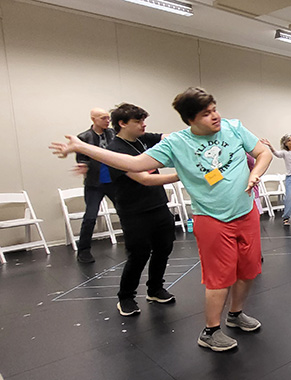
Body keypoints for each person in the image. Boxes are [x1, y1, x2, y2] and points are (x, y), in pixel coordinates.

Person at [51, 87, 272, 352]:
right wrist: (83, 147)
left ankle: (235, 315)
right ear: (191, 119)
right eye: (206, 113)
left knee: (248, 270)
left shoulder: (233, 127)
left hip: (245, 213)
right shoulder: (176, 144)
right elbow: (134, 165)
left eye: (214, 109)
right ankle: (210, 331)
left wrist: (255, 173)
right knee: (220, 277)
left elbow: (264, 153)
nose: (215, 116)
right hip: (212, 218)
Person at [107, 103, 179, 316]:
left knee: (164, 247)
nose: (143, 124)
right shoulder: (115, 151)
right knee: (139, 254)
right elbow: (145, 179)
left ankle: (155, 289)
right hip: (134, 211)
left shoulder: (143, 139)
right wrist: (183, 175)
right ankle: (126, 297)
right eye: (138, 121)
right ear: (122, 123)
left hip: (158, 205)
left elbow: (170, 137)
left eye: (143, 120)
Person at [74, 108, 117, 263]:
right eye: (103, 118)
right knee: (90, 216)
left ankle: (135, 243)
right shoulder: (84, 137)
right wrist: (83, 166)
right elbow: (82, 157)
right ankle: (83, 251)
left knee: (126, 211)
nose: (107, 121)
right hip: (95, 183)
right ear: (93, 119)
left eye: (108, 118)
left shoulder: (113, 133)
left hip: (113, 181)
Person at [261, 134, 291, 225]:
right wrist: (270, 145)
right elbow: (276, 154)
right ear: (285, 144)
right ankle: (286, 218)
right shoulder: (284, 152)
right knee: (289, 197)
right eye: (289, 140)